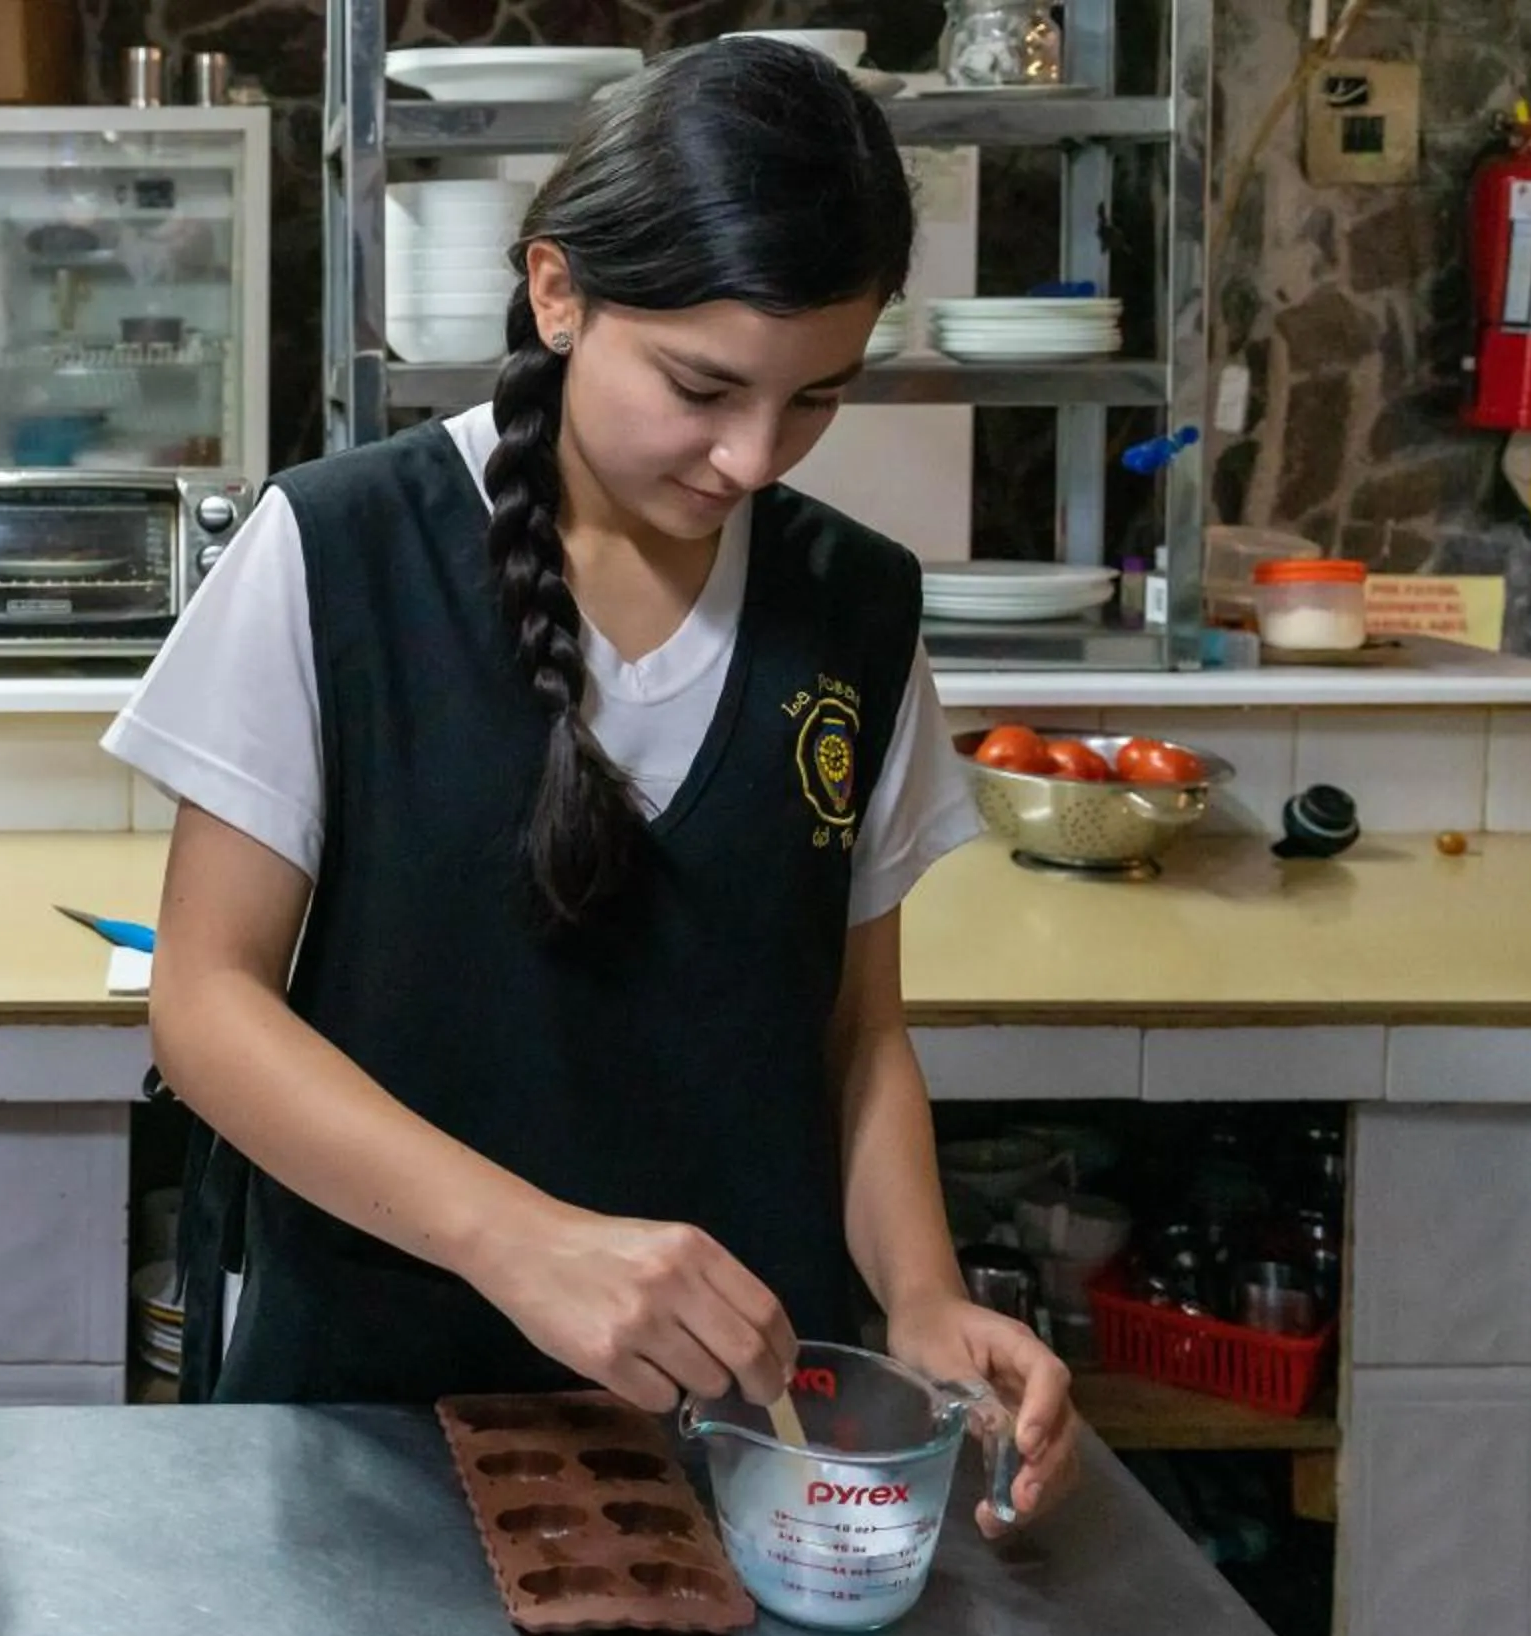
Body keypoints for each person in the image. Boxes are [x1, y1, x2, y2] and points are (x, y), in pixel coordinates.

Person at [104, 41, 1073, 1529]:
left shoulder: (855, 612)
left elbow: (857, 1030)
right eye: (703, 387)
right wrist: (523, 1243)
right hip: (375, 1410)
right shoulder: (337, 553)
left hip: (739, 1433)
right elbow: (208, 999)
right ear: (560, 295)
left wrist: (924, 1292)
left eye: (817, 400)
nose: (753, 457)